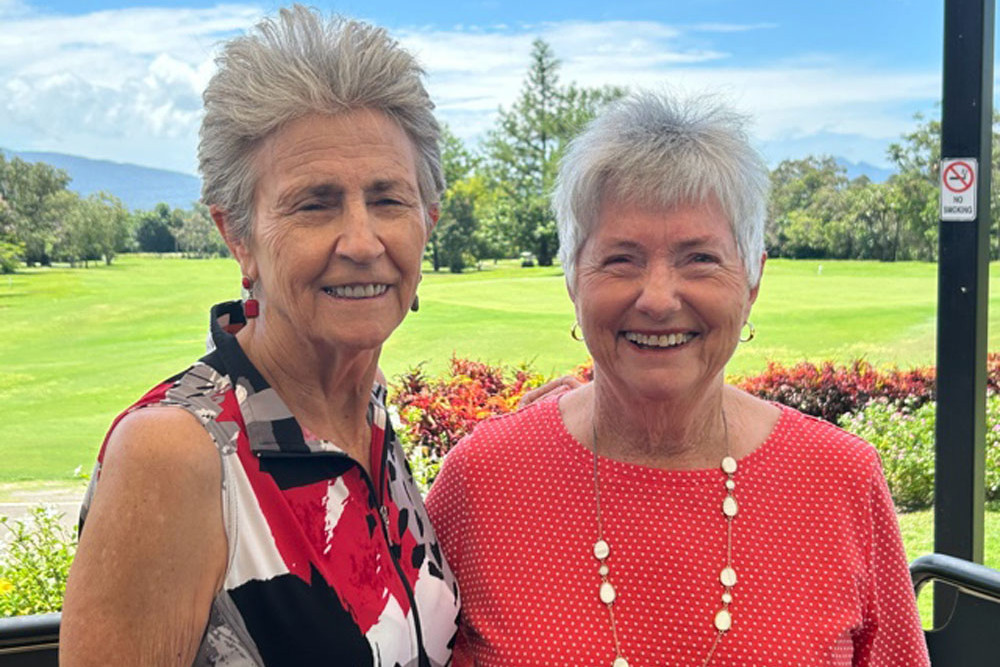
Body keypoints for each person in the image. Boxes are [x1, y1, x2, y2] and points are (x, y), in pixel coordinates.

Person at [425, 92, 929, 666]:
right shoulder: (485, 479)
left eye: (699, 259)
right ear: (572, 279)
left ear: (753, 280)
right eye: (621, 259)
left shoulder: (839, 480)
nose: (659, 299)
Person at [61, 6, 459, 665]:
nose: (362, 241)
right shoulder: (178, 453)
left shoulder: (365, 418)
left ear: (427, 222)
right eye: (315, 203)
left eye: (388, 199)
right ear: (238, 236)